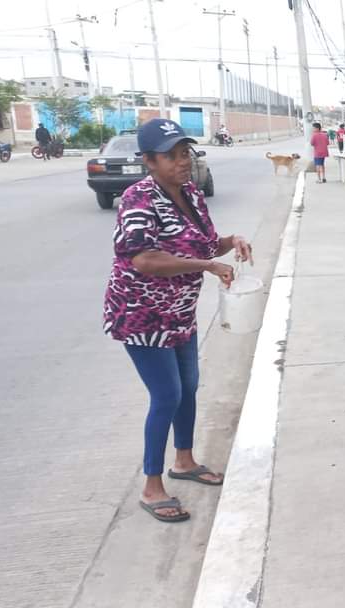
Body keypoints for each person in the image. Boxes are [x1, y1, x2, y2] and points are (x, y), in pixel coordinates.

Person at [103, 118, 253, 523]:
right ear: (149, 161)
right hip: (141, 314)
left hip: (179, 313)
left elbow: (203, 243)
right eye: (170, 156)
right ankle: (152, 487)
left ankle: (184, 461)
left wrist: (231, 241)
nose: (182, 161)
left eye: (185, 152)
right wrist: (206, 265)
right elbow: (144, 259)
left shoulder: (190, 193)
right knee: (167, 395)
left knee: (189, 387)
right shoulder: (138, 199)